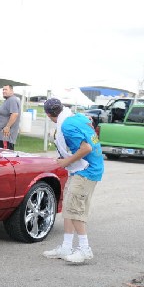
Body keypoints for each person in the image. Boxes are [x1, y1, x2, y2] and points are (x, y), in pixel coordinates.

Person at [42, 98, 104, 263]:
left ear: (48, 114)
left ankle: (85, 249)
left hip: (86, 170)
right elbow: (89, 123)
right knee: (69, 208)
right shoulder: (76, 117)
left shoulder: (66, 125)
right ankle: (66, 247)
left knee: (76, 210)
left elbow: (86, 148)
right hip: (83, 169)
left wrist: (65, 161)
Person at [0, 85, 21, 149]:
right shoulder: (8, 100)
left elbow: (14, 114)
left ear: (11, 91)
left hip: (5, 136)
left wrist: (7, 127)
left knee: (5, 156)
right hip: (1, 136)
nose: (4, 91)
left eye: (6, 90)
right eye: (3, 90)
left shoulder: (12, 100)